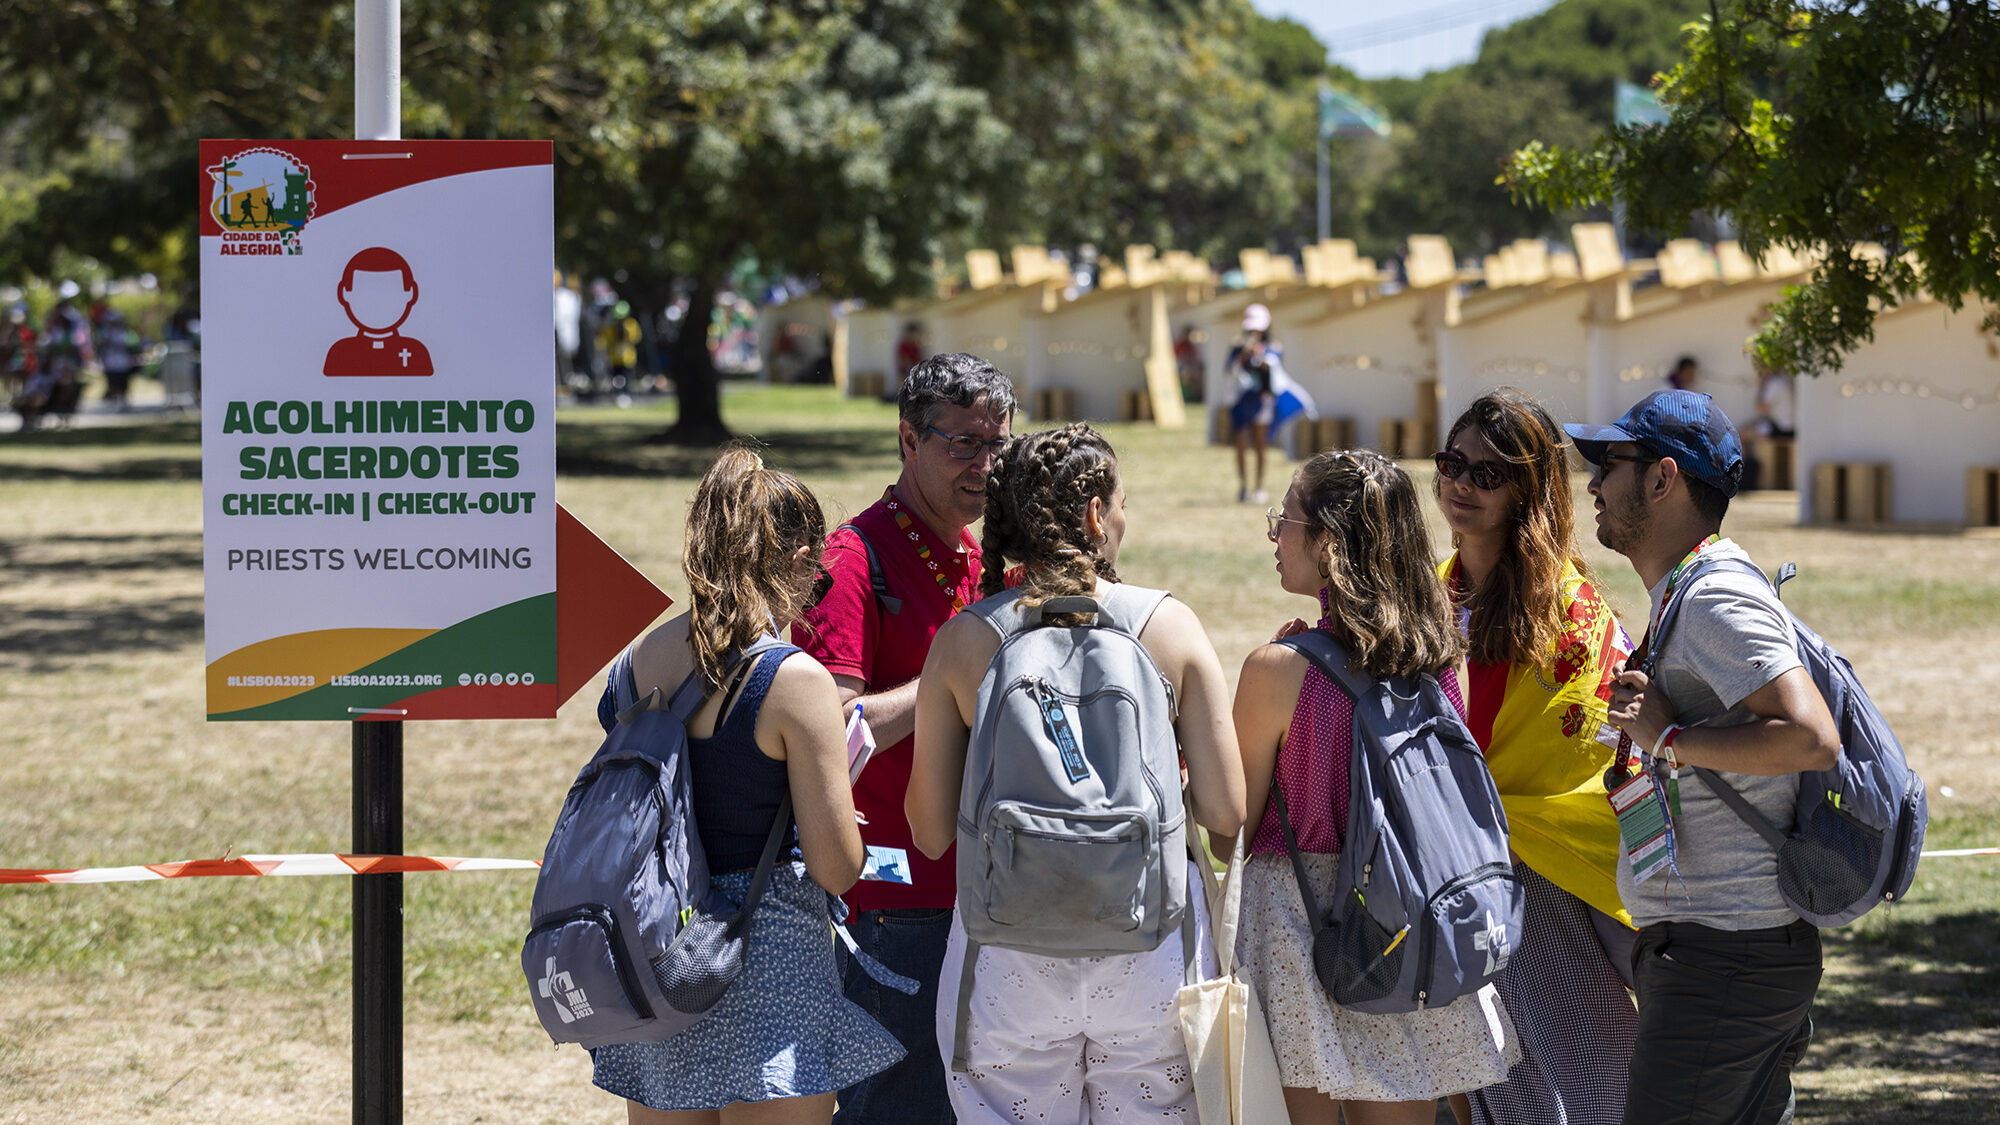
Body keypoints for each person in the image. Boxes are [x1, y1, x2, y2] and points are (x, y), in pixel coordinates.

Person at [904, 423, 1248, 1124]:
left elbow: (931, 831)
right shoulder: (1170, 626)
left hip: (1007, 951)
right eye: (1121, 501)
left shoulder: (968, 638)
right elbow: (1226, 811)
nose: (1124, 516)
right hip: (1150, 945)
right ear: (1096, 512)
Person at [592, 445, 904, 1123]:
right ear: (796, 558)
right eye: (816, 580)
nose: (812, 599)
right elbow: (835, 865)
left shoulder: (635, 663)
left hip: (658, 951)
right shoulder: (793, 682)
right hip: (769, 960)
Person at [1565, 390, 1840, 1125]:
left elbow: (1811, 736)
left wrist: (1669, 739)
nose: (1592, 483)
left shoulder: (1717, 594)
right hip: (1726, 953)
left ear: (1663, 479)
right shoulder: (1691, 587)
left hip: (1725, 957)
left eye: (1609, 464)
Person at [1233, 449, 1517, 1125]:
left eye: (1287, 521)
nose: (1276, 536)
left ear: (1329, 544)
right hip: (1405, 914)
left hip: (1299, 923)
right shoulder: (1442, 656)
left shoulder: (1275, 670)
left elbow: (1232, 826)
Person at [793, 352, 1017, 1125]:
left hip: (988, 895)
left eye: (998, 446)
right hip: (895, 905)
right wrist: (944, 683)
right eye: (964, 444)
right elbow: (830, 731)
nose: (985, 465)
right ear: (907, 439)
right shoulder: (853, 558)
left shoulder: (986, 559)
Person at [1431, 389, 1638, 1125]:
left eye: (1488, 474)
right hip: (1449, 872)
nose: (1461, 484)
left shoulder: (1571, 608)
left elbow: (1578, 756)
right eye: (1452, 463)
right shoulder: (1432, 597)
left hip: (1544, 871)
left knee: (1596, 1081)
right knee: (1497, 1083)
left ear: (1529, 489)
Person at [1226, 303, 1313, 505]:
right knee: (1240, 442)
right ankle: (1242, 486)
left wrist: (1260, 357)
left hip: (1262, 400)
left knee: (1260, 443)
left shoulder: (1273, 346)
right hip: (1241, 400)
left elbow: (1274, 368)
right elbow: (1230, 369)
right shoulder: (1238, 345)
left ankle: (1259, 487)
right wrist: (1243, 354)